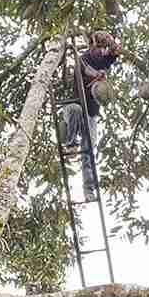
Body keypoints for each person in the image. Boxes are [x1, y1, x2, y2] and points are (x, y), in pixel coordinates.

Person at [62, 30, 123, 202]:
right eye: (100, 47)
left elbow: (114, 52)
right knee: (74, 109)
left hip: (91, 114)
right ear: (92, 45)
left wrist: (112, 44)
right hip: (76, 108)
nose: (102, 52)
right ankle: (71, 143)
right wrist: (97, 74)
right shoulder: (84, 58)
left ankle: (89, 190)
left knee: (89, 153)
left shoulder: (104, 58)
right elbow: (86, 69)